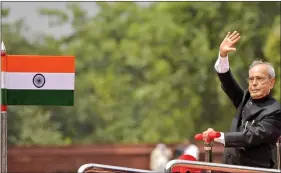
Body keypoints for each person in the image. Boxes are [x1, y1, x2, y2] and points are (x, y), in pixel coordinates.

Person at [203, 31, 281, 169]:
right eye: (251, 79)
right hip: (229, 168)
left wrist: (218, 136)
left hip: (255, 171)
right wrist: (222, 55)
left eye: (259, 78)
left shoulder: (275, 111)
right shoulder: (244, 98)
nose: (254, 83)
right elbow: (227, 82)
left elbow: (251, 136)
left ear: (271, 82)